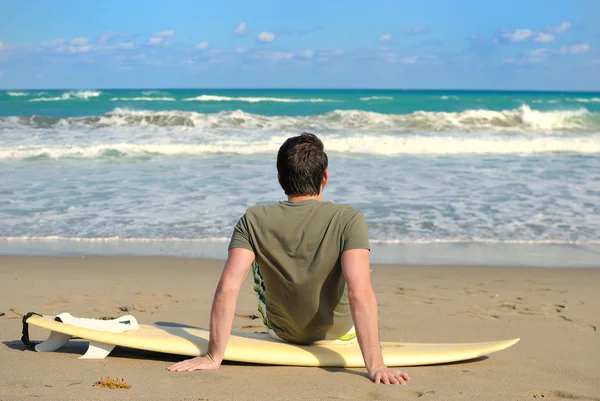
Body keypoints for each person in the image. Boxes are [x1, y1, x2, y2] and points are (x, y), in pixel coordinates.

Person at [167, 133, 410, 385]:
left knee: (260, 262)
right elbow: (358, 293)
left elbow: (227, 289)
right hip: (339, 335)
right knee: (359, 272)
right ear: (324, 177)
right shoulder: (349, 218)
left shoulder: (253, 219)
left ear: (280, 179)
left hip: (282, 333)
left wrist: (213, 356)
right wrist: (377, 365)